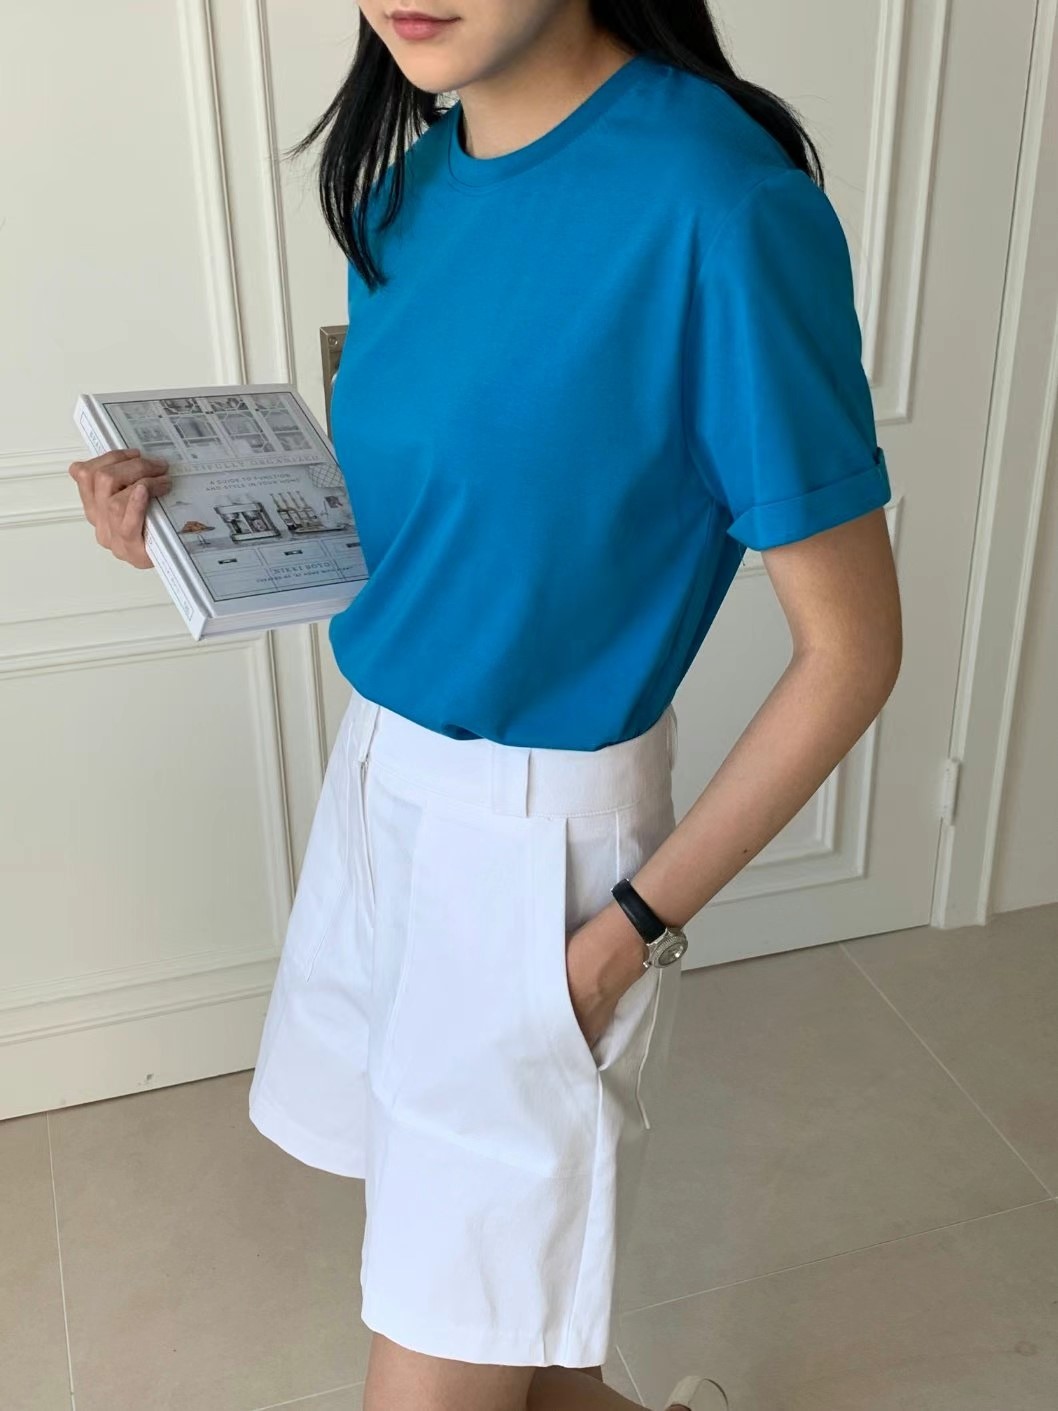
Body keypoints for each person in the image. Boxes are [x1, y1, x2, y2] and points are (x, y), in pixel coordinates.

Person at [67, 2, 903, 1408]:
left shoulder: (717, 206)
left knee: (449, 1342)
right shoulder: (409, 184)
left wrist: (617, 943)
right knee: (509, 1339)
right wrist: (195, 524)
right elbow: (452, 517)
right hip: (380, 790)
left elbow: (853, 654)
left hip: (538, 849)